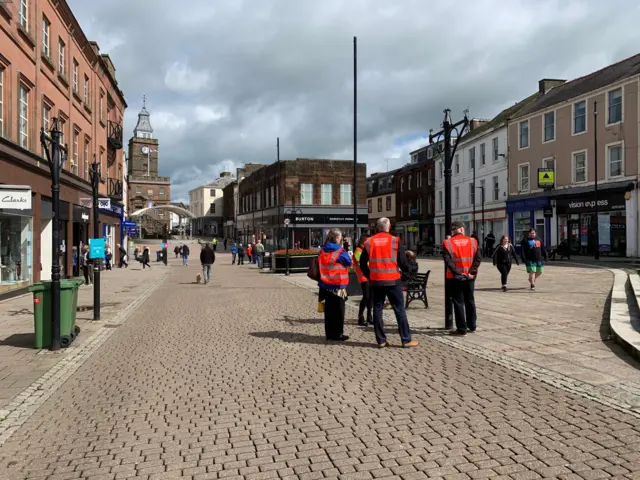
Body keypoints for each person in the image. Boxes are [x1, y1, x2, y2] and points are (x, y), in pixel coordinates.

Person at [359, 217, 418, 348]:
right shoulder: (395, 241)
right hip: (393, 281)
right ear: (389, 227)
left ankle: (381, 340)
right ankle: (406, 339)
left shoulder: (369, 242)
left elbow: (362, 263)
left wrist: (370, 275)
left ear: (377, 228)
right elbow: (403, 263)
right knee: (399, 310)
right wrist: (410, 269)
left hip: (376, 281)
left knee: (378, 309)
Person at [443, 221, 482, 336]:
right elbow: (478, 259)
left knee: (458, 302)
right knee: (470, 300)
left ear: (453, 230)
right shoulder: (473, 241)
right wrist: (471, 271)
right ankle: (472, 325)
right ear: (462, 229)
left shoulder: (447, 243)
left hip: (455, 278)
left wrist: (458, 273)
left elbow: (448, 261)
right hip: (470, 277)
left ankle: (461, 328)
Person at [318, 228, 352, 341]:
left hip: (325, 284)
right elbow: (349, 262)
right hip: (338, 285)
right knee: (339, 310)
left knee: (328, 310)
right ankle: (338, 333)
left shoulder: (323, 249)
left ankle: (329, 333)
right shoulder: (340, 251)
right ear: (337, 238)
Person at [353, 236, 372, 326]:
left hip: (368, 276)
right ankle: (360, 317)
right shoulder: (358, 251)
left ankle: (369, 316)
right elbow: (361, 262)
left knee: (370, 297)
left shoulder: (365, 251)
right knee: (366, 297)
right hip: (363, 276)